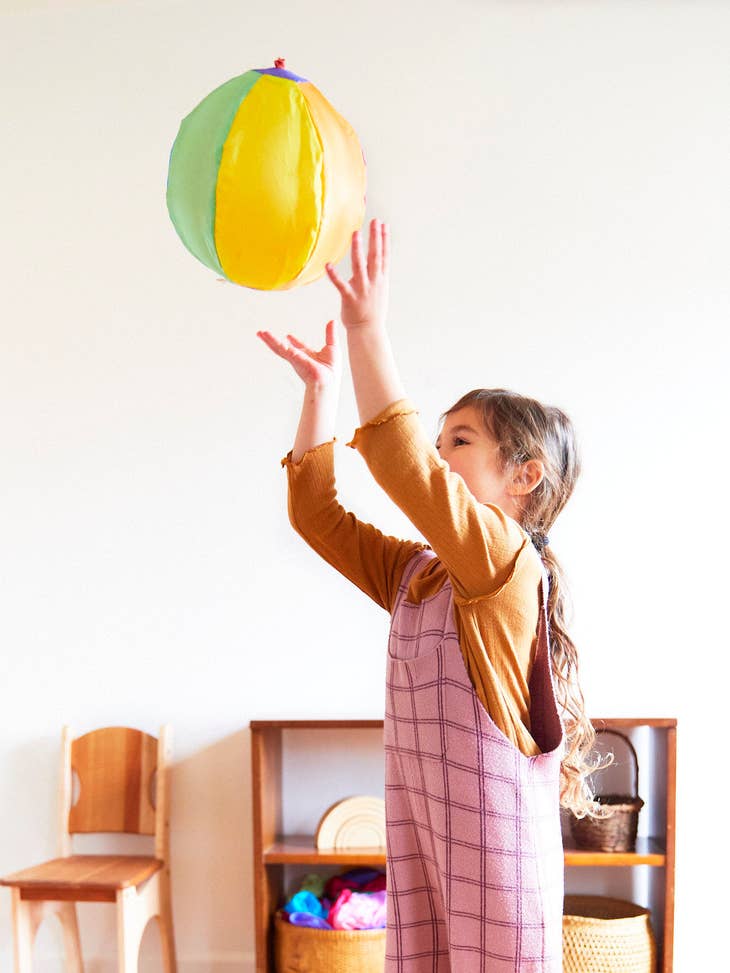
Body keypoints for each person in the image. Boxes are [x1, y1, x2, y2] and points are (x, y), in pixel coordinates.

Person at [258, 218, 603, 972]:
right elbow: (318, 518)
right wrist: (323, 393)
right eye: (440, 439)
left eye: (459, 441)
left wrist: (365, 328)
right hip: (425, 849)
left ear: (524, 478)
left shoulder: (505, 569)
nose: (440, 456)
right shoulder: (420, 574)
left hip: (498, 866)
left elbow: (403, 467)